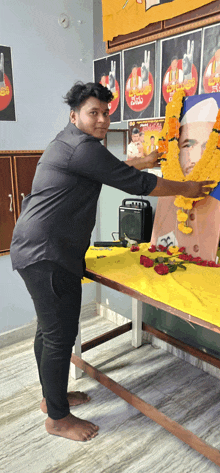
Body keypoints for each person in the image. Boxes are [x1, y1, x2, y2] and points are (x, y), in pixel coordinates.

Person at [10, 82, 213, 443]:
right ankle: (57, 418)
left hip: (38, 248)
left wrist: (147, 161)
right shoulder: (82, 148)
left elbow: (115, 169)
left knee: (49, 330)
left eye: (106, 113)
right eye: (94, 113)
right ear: (75, 115)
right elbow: (135, 184)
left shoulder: (71, 142)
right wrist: (186, 188)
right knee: (59, 337)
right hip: (49, 254)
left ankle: (51, 400)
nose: (102, 120)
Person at [151, 96, 220, 259]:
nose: (197, 157)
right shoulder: (167, 198)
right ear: (175, 151)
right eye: (188, 145)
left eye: (207, 147)